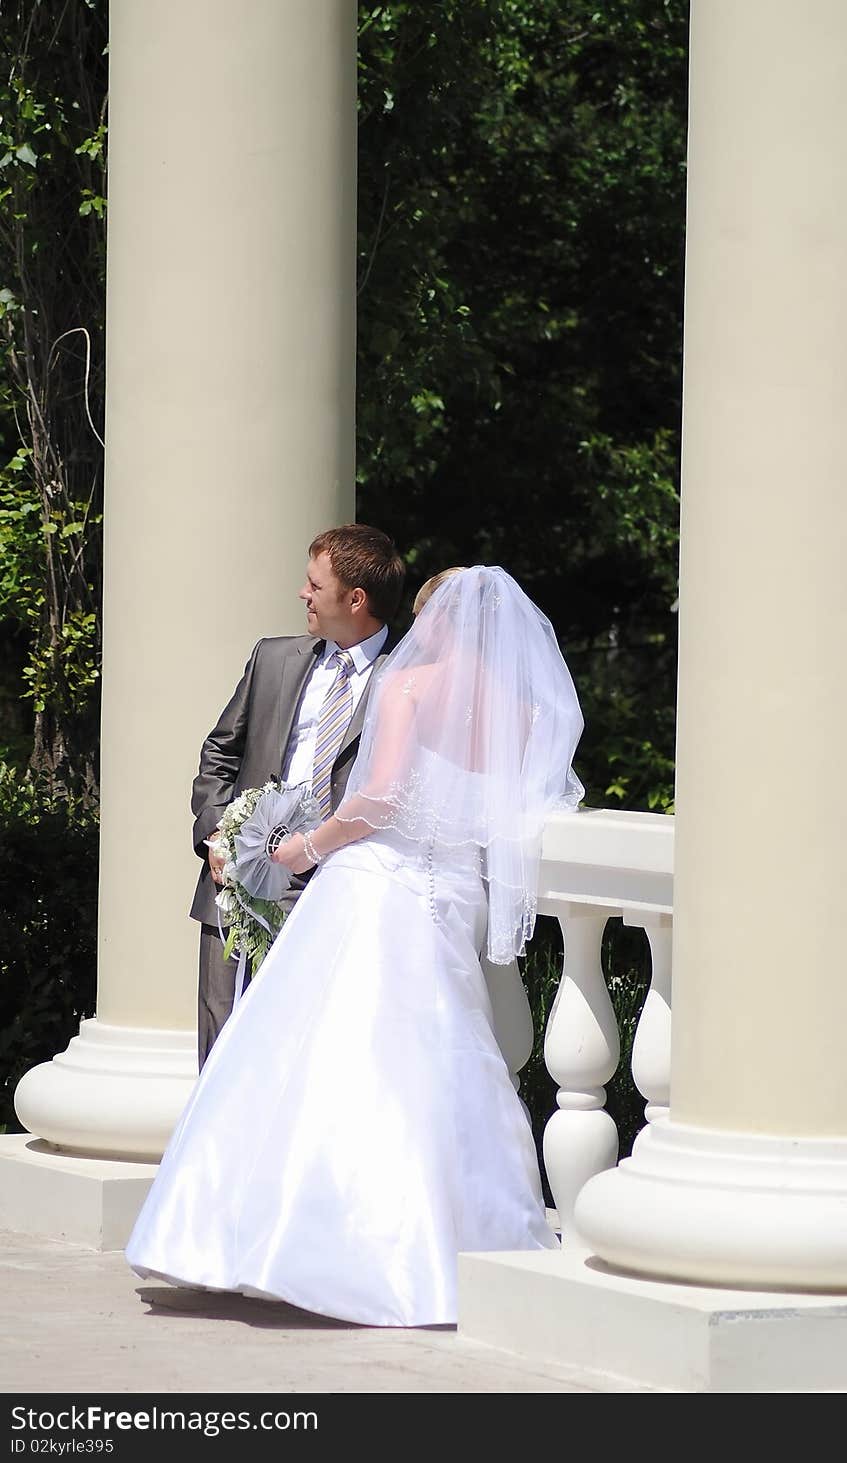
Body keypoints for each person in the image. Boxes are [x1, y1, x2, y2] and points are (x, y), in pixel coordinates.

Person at [127, 566, 584, 1327]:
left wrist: (307, 845)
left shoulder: (408, 687)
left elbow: (380, 797)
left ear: (435, 623)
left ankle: (306, 1245)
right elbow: (530, 800)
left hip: (380, 878)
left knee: (331, 1050)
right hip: (455, 892)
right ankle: (460, 1240)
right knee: (439, 1050)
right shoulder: (521, 708)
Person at [190, 522, 405, 1067]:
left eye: (314, 584)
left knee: (300, 1057)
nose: (302, 594)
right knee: (221, 1051)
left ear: (355, 599)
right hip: (232, 879)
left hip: (332, 893)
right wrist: (216, 834)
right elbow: (220, 753)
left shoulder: (404, 682)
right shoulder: (274, 658)